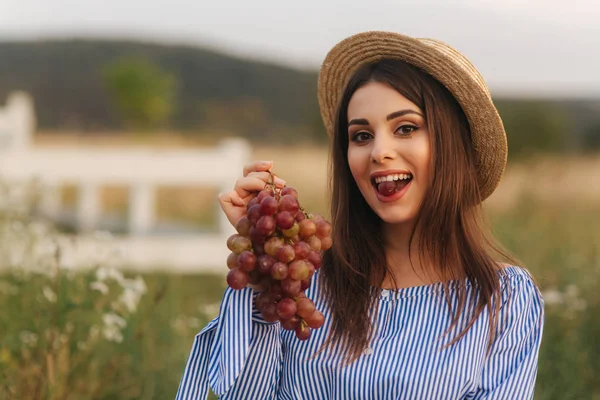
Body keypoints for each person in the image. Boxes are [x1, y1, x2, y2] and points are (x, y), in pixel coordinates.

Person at [175, 31, 545, 399]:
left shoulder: (504, 299)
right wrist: (264, 261)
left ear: (454, 145)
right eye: (362, 136)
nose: (379, 152)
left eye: (406, 128)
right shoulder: (304, 281)